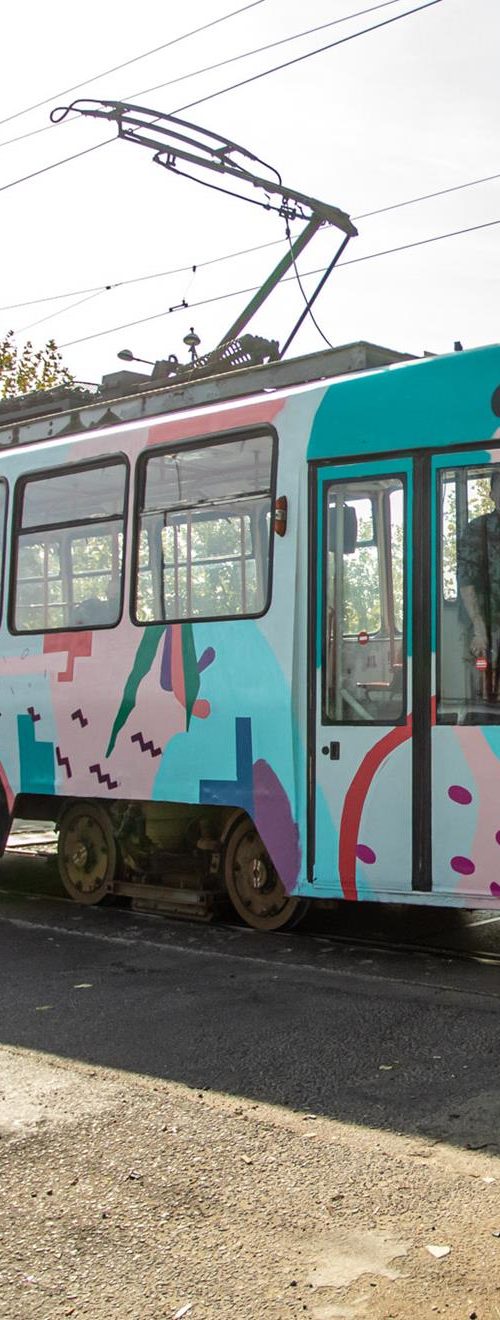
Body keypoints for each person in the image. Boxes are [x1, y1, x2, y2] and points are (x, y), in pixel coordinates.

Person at [458, 469, 500, 699]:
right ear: (492, 494)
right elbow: (466, 580)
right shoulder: (478, 528)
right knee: (485, 697)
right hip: (488, 626)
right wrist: (479, 628)